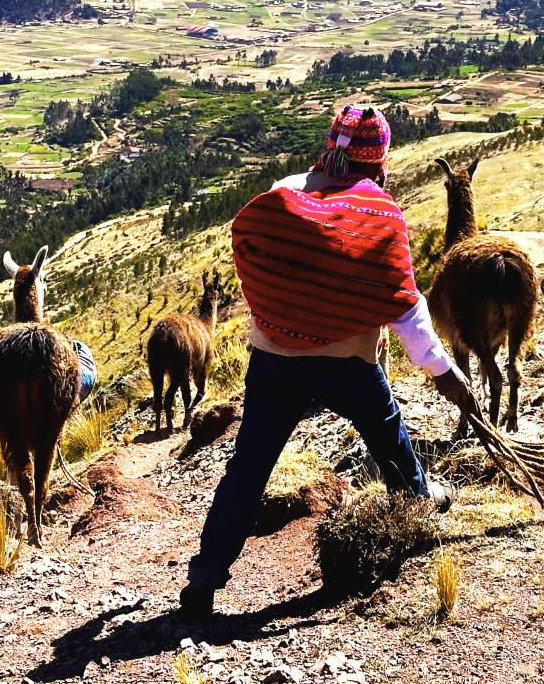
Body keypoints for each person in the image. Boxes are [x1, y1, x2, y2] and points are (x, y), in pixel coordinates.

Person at [180, 105, 481, 620]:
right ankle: (419, 515)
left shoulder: (283, 192)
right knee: (388, 434)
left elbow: (258, 258)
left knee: (248, 470)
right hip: (346, 360)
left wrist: (283, 316)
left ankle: (203, 583)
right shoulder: (379, 211)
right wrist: (444, 373)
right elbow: (405, 305)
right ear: (379, 159)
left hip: (273, 358)